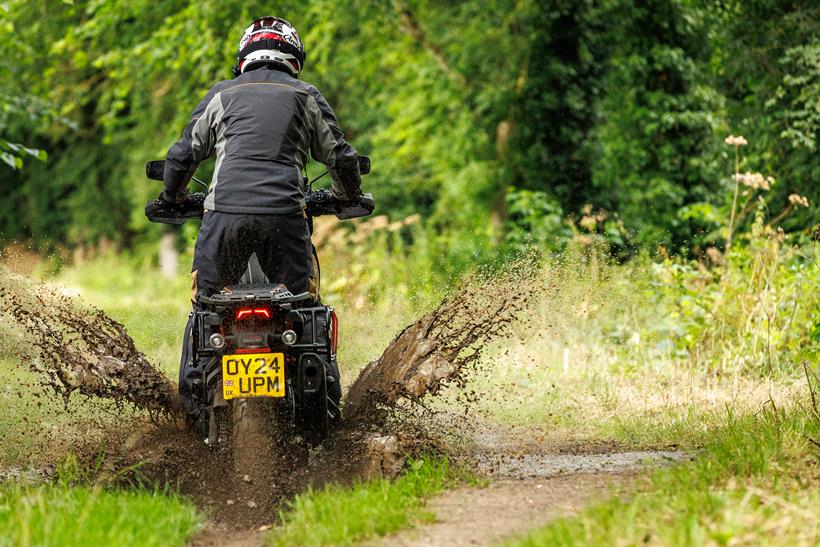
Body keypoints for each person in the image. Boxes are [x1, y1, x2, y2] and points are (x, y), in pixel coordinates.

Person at [161, 16, 361, 420]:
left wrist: (173, 197)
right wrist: (346, 195)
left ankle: (193, 411)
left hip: (224, 220)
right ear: (294, 61)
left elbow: (182, 155)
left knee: (206, 310)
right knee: (304, 307)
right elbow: (340, 157)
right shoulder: (305, 95)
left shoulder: (220, 95)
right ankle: (323, 409)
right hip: (285, 219)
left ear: (243, 61)